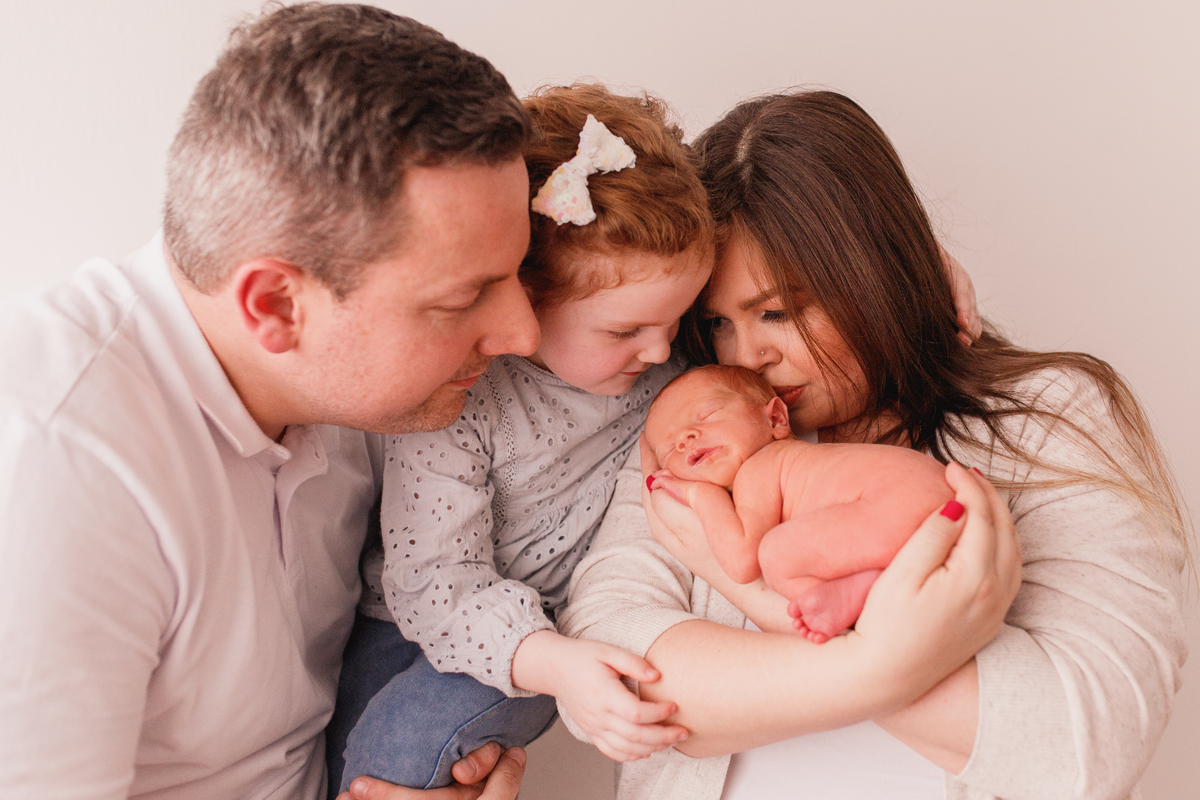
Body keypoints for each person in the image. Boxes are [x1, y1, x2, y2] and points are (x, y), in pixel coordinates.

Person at [558, 90, 1189, 800]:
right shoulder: (697, 427)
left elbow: (1084, 744)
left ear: (871, 269)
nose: (749, 354)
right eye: (718, 323)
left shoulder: (1045, 418)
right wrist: (878, 665)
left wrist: (737, 582)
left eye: (778, 310)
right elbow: (617, 673)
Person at [0, 5, 546, 799]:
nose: (523, 333)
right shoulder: (53, 463)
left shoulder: (357, 391)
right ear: (276, 308)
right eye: (465, 298)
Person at [326, 84, 712, 794]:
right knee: (340, 759)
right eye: (625, 332)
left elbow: (793, 244)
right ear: (525, 297)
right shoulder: (463, 393)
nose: (662, 351)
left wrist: (932, 271)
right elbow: (434, 580)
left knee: (400, 748)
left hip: (547, 644)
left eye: (680, 318)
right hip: (411, 614)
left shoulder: (673, 374)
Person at [643, 364, 953, 644]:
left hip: (899, 497)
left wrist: (702, 497)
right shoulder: (802, 466)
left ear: (775, 418)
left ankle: (866, 598)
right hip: (928, 492)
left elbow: (741, 563)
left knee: (775, 555)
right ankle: (863, 585)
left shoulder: (760, 466)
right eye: (671, 448)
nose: (686, 438)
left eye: (706, 415)